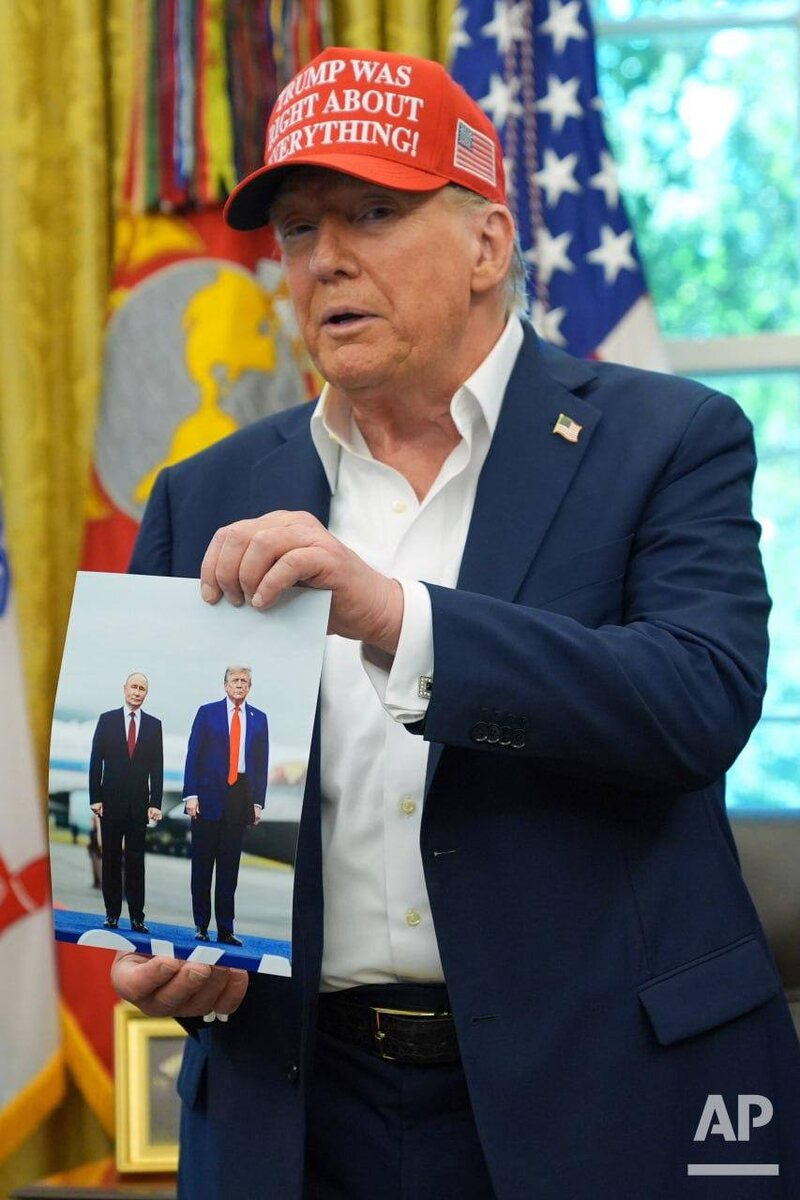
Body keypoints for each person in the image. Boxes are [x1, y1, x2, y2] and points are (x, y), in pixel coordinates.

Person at [111, 46, 800, 1200]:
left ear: (486, 244)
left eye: (372, 214)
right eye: (297, 228)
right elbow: (168, 826)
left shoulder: (668, 439)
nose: (324, 258)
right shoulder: (205, 493)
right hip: (295, 1112)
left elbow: (695, 700)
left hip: (606, 1097)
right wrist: (173, 949)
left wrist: (394, 618)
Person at [183, 666, 268, 945]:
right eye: (235, 680)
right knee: (202, 866)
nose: (240, 685)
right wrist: (191, 795)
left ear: (250, 687)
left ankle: (225, 929)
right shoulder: (207, 713)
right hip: (207, 796)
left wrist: (257, 802)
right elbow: (193, 754)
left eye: (245, 681)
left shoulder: (259, 719)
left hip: (239, 797)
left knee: (229, 868)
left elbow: (261, 764)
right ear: (225, 685)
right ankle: (201, 925)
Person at [89, 671, 163, 933]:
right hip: (110, 803)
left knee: (135, 862)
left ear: (146, 694)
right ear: (124, 689)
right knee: (110, 860)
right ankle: (111, 914)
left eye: (142, 688)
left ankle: (137, 917)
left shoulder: (154, 725)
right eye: (133, 687)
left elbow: (157, 767)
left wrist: (155, 802)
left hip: (138, 806)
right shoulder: (107, 720)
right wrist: (95, 797)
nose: (137, 692)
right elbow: (96, 760)